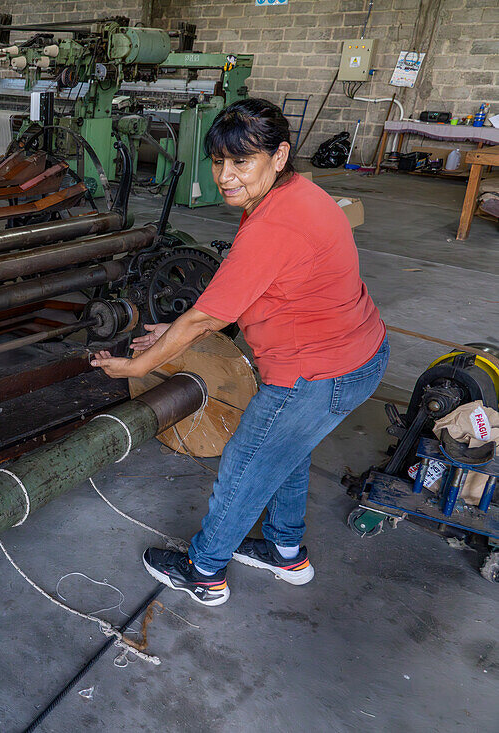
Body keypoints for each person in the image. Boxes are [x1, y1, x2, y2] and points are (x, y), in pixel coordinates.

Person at [90, 98, 388, 606]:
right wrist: (173, 331)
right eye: (219, 162)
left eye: (241, 162)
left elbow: (208, 316)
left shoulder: (275, 224)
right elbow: (254, 296)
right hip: (358, 354)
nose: (226, 176)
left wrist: (139, 364)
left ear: (279, 155)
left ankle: (205, 571)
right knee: (285, 455)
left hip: (316, 374)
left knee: (245, 467)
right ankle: (285, 551)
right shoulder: (298, 193)